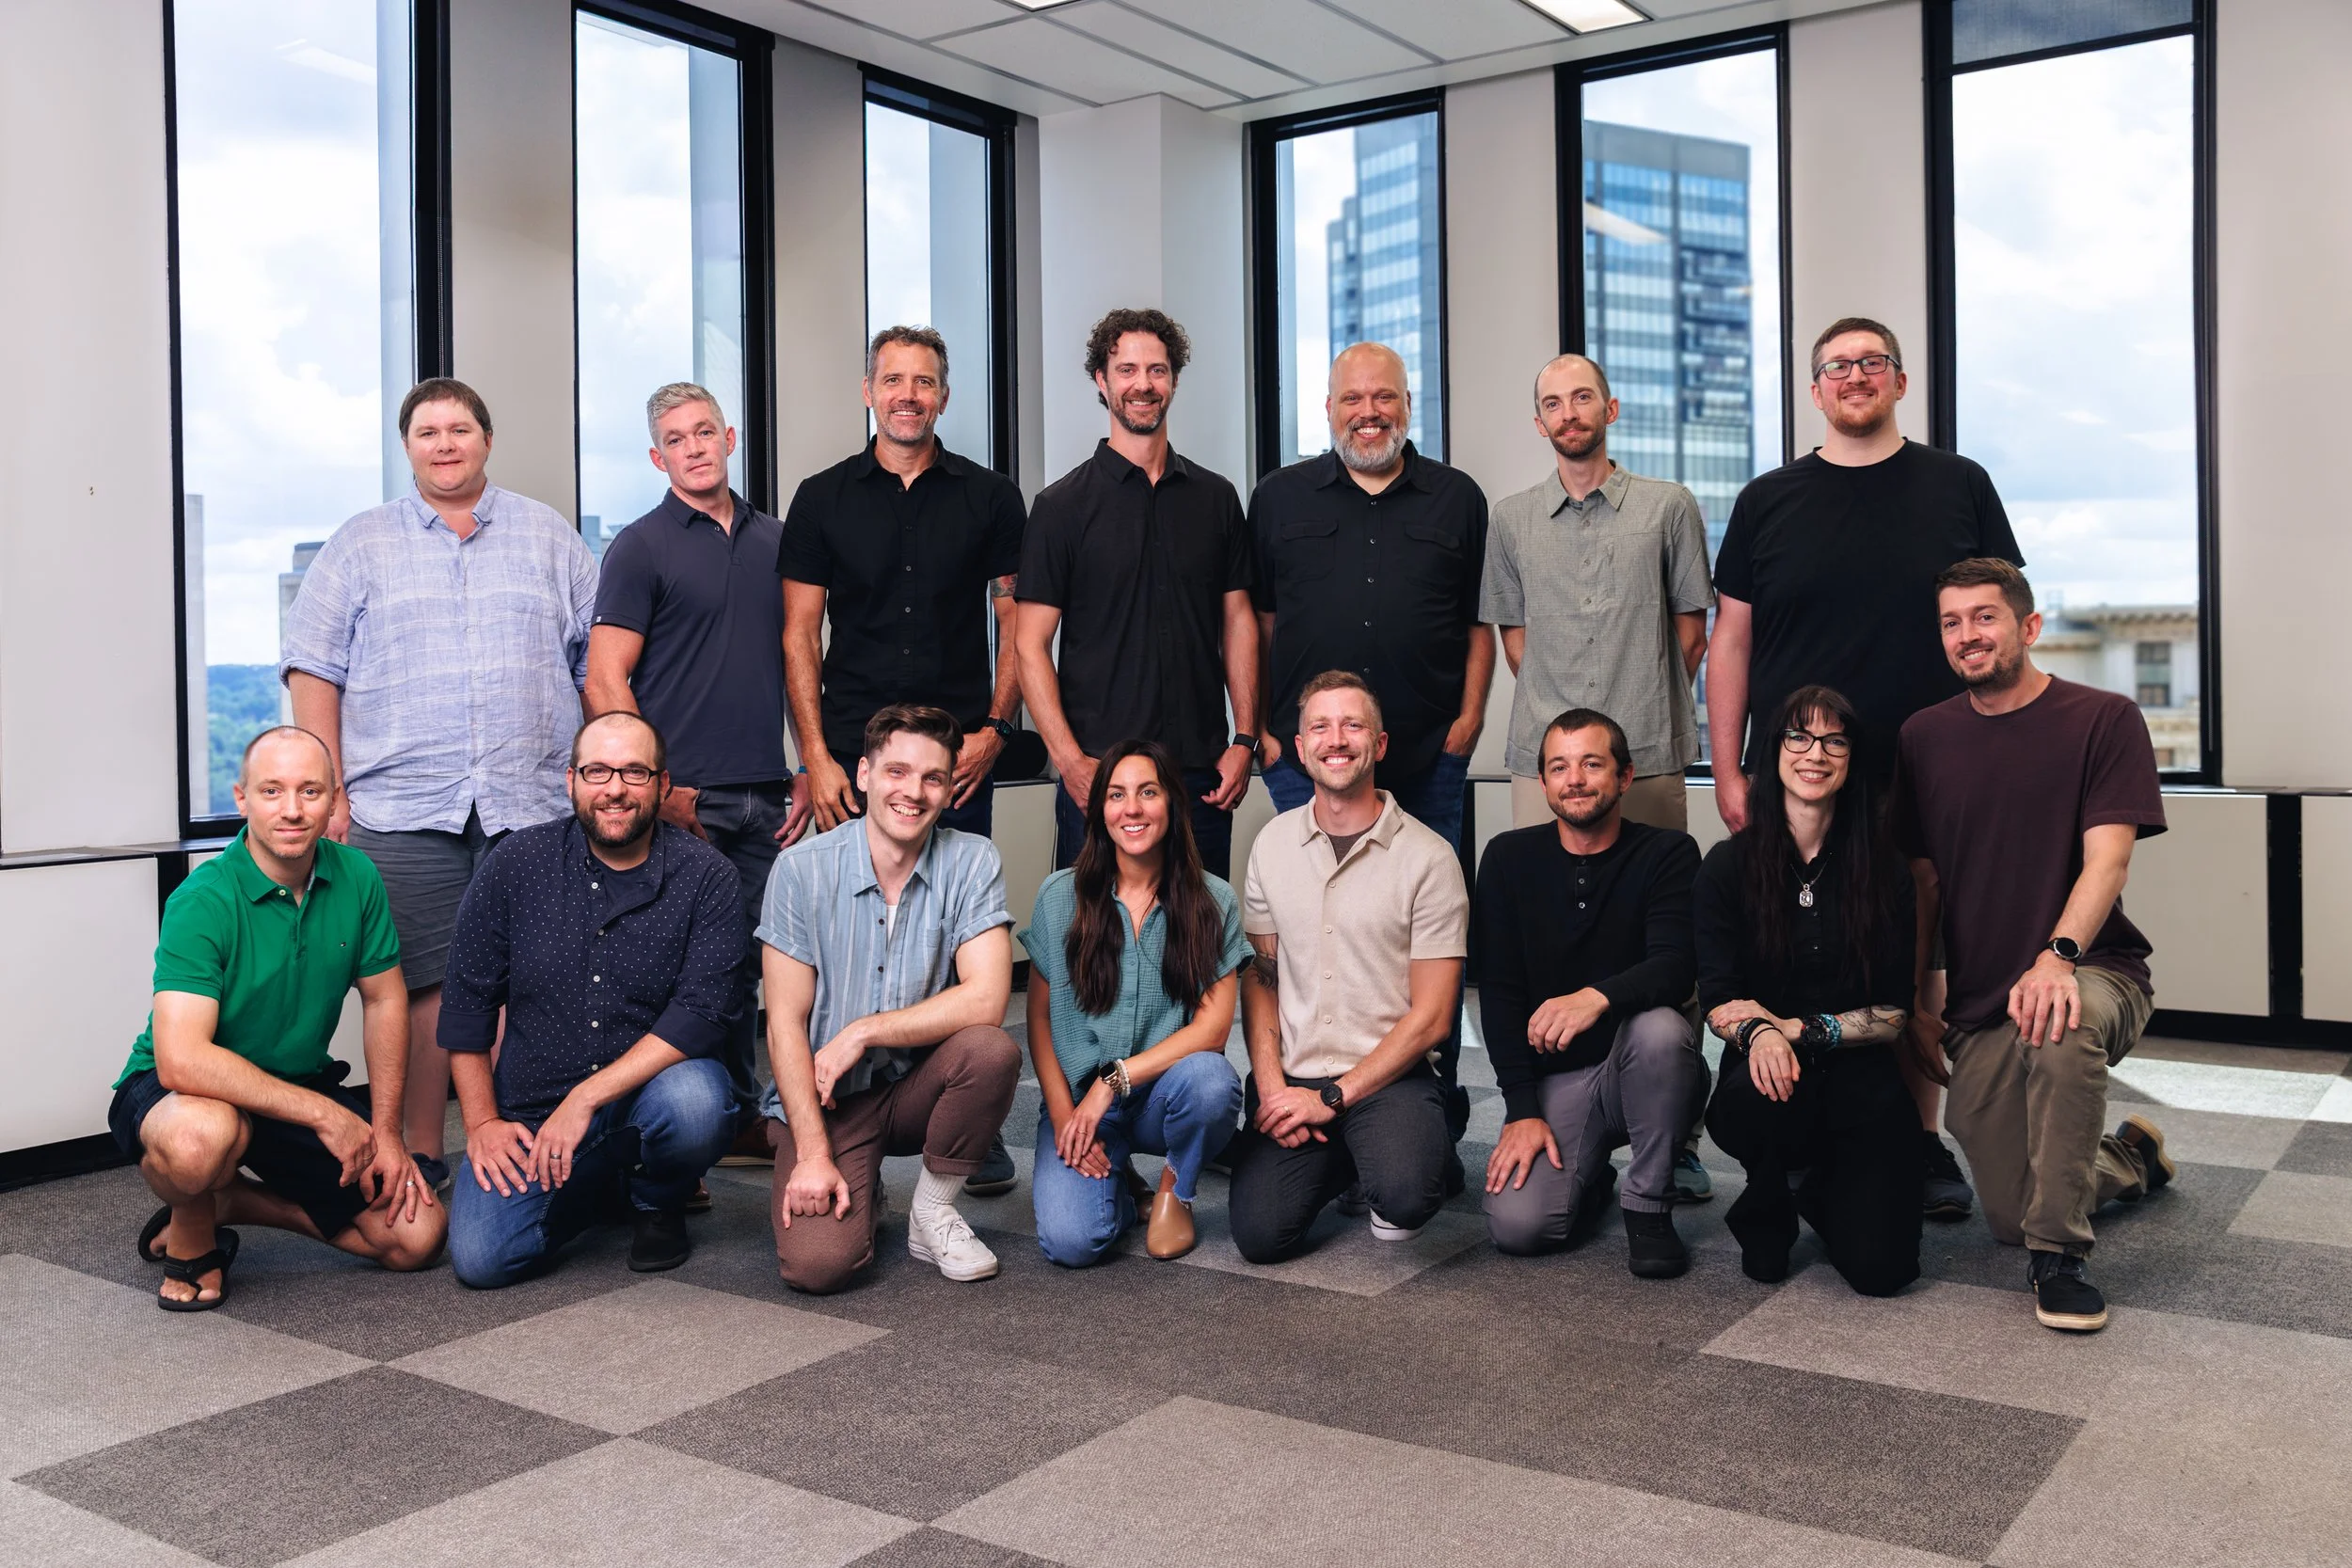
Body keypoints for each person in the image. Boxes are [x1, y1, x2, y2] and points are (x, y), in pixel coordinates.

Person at [1708, 317, 2023, 1219]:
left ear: (1900, 380)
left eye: (1871, 363)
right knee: (1790, 939)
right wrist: (1730, 769)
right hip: (1799, 767)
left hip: (1931, 766)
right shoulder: (1769, 498)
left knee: (1913, 954)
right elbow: (1731, 641)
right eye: (1837, 367)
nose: (1855, 376)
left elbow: (1993, 619)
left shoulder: (1959, 484)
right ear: (1815, 391)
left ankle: (1914, 1139)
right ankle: (1802, 1128)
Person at [281, 377, 597, 1185]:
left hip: (528, 802)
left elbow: (595, 665)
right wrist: (333, 790)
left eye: (460, 428)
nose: (445, 443)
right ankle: (422, 1151)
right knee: (418, 988)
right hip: (400, 806)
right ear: (408, 446)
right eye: (427, 432)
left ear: (486, 440)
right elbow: (314, 670)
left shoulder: (550, 538)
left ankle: (527, 1149)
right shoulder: (360, 543)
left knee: (532, 982)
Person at [1894, 559, 2172, 1334]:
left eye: (1984, 617)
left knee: (2061, 1022)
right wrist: (1921, 1002)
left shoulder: (2103, 718)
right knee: (2010, 1212)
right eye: (1951, 622)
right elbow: (1924, 884)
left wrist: (2057, 956)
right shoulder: (1925, 737)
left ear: (2028, 626)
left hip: (2094, 969)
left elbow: (2108, 858)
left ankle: (2060, 1260)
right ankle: (2128, 1160)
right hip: (1983, 1000)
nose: (1967, 635)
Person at [1249, 341, 1490, 1164]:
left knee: (1428, 942)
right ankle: (1305, 1098)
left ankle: (1432, 1110)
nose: (1369, 412)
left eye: (1383, 397)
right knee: (1314, 938)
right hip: (1305, 758)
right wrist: (1261, 727)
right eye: (1352, 398)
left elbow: (1476, 624)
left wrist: (1468, 721)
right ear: (1328, 407)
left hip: (1428, 756)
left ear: (1407, 404)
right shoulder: (1279, 498)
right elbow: (1261, 624)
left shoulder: (1457, 498)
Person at [109, 727, 443, 1310]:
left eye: (310, 791)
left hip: (292, 1084)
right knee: (200, 1143)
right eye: (272, 791)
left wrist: (387, 1133)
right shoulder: (203, 899)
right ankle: (195, 1211)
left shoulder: (358, 877)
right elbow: (182, 1058)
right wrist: (324, 1115)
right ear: (242, 799)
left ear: (336, 799)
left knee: (416, 1238)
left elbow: (385, 1001)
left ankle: (233, 1202)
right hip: (181, 1092)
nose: (292, 810)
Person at [440, 714, 745, 1286]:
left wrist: (585, 1100)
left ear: (661, 784)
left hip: (649, 1094)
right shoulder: (515, 864)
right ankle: (607, 1184)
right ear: (571, 780)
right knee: (484, 1260)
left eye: (634, 772)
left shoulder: (709, 876)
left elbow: (703, 1016)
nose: (614, 789)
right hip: (533, 1108)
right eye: (597, 770)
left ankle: (657, 1199)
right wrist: (481, 1123)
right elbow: (466, 1004)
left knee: (700, 1103)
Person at [587, 382, 790, 1148]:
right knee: (688, 965)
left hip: (772, 795)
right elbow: (606, 680)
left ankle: (747, 1113)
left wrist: (808, 767)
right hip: (683, 799)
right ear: (656, 456)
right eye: (677, 438)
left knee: (773, 960)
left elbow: (802, 662)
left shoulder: (777, 540)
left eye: (705, 432)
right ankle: (688, 1127)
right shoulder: (640, 545)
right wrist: (655, 788)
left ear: (730, 438)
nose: (695, 447)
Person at [760, 705, 1022, 1292]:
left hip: (916, 1089)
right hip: (828, 1102)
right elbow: (783, 1025)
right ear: (863, 775)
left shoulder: (972, 859)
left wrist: (862, 1031)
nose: (914, 792)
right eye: (897, 772)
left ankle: (932, 1211)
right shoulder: (800, 870)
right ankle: (859, 1179)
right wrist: (811, 1154)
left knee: (990, 1050)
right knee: (819, 1268)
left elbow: (987, 1001)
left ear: (950, 787)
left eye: (933, 778)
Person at [1228, 672, 1466, 1263]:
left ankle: (1394, 1144)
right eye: (1321, 727)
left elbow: (1434, 1018)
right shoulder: (1271, 844)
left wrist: (1331, 1100)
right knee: (1260, 1237)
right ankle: (1344, 1156)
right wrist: (1272, 1087)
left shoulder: (1430, 858)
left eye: (1353, 725)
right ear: (1301, 748)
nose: (1337, 739)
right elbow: (1262, 976)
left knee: (1407, 1196)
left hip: (1390, 1075)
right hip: (1297, 1072)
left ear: (1379, 745)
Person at [1017, 308, 1259, 878]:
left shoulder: (1216, 499)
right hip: (1101, 776)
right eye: (1127, 369)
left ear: (1173, 380)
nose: (1143, 384)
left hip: (1199, 775)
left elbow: (1240, 622)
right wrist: (1069, 761)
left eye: (1157, 370)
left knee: (1199, 948)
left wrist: (1244, 736)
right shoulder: (1060, 508)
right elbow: (1030, 646)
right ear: (1102, 382)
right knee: (1092, 952)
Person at [1698, 685, 1921, 1294]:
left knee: (1885, 1271)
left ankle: (1818, 1185)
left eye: (1834, 740)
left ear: (1851, 759)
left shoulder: (1884, 870)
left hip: (1862, 1083)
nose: (1814, 752)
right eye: (1799, 735)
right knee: (1762, 1089)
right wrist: (1762, 1033)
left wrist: (1793, 1028)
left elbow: (1895, 1013)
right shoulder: (1728, 865)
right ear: (1773, 751)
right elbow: (1718, 997)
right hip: (1769, 1086)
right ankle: (1766, 1195)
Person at [1475, 708, 1705, 1277]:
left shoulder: (1668, 853)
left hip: (1644, 1067)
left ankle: (1648, 1204)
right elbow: (1499, 993)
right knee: (1520, 1228)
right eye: (1559, 767)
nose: (1574, 778)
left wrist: (1594, 997)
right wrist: (1521, 1110)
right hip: (1558, 1081)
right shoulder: (1507, 858)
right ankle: (1593, 1176)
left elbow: (1677, 967)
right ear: (1545, 782)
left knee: (1662, 1028)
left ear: (1624, 777)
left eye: (1591, 764)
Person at [779, 327, 1026, 841]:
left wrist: (997, 733)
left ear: (944, 397)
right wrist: (814, 759)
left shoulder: (994, 498)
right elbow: (799, 635)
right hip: (851, 761)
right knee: (844, 916)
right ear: (869, 392)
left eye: (924, 382)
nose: (908, 395)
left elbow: (1017, 624)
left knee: (956, 914)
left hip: (958, 760)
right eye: (893, 380)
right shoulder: (820, 499)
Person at [1021, 739, 1250, 1266]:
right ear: (1100, 811)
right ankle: (1122, 1185)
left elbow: (1212, 1032)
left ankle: (1174, 1188)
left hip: (1161, 1095)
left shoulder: (1214, 900)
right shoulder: (1061, 895)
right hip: (1080, 1102)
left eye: (1148, 792)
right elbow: (1038, 1018)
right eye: (1117, 795)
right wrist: (1063, 1115)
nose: (1132, 809)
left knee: (1214, 1085)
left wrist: (1114, 1081)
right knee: (1073, 1243)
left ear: (1171, 803)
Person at [1485, 354, 1711, 833]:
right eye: (1554, 404)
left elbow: (1691, 639)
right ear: (1540, 424)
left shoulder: (1669, 507)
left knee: (1655, 896)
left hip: (1647, 752)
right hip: (1544, 757)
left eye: (1581, 397)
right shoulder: (1510, 520)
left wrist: (1642, 700)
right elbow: (1517, 645)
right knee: (1544, 902)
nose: (1568, 413)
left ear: (1611, 409)